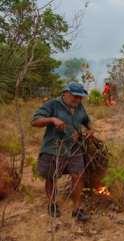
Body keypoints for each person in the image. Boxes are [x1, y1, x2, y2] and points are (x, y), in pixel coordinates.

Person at [31, 82, 93, 221]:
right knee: (51, 177)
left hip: (74, 147)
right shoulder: (52, 105)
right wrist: (52, 119)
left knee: (78, 176)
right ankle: (52, 204)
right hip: (54, 148)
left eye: (80, 97)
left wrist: (90, 130)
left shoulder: (79, 107)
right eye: (75, 97)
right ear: (65, 93)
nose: (77, 100)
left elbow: (86, 121)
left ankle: (77, 209)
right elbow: (35, 121)